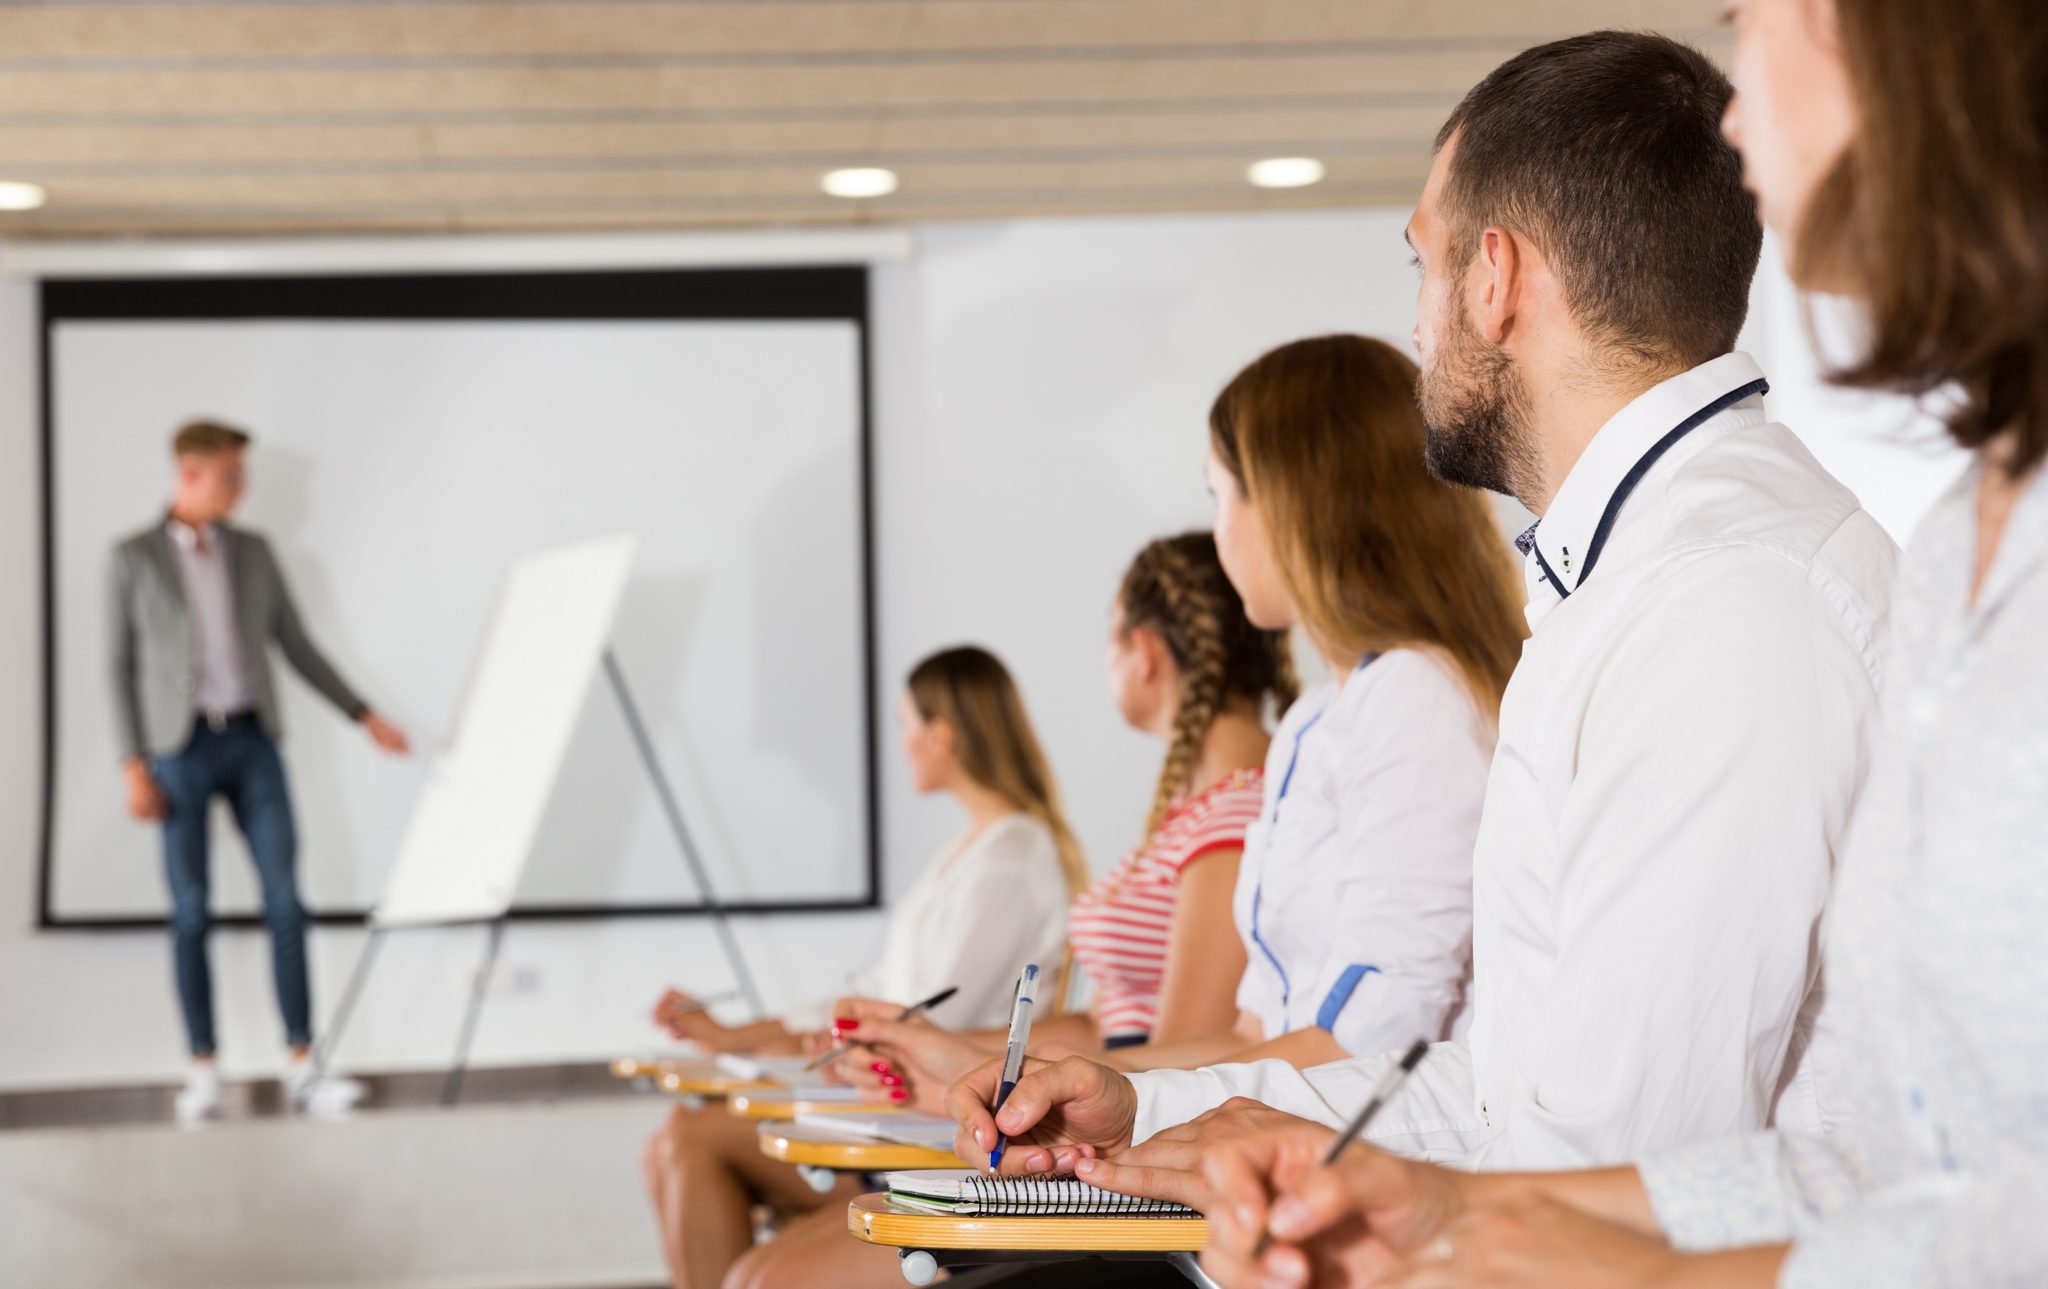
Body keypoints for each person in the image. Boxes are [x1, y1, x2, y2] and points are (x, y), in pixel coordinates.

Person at [948, 29, 1900, 1190]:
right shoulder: (1632, 580)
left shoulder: (1722, 611)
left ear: (1493, 277)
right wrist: (1155, 1108)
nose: (1414, 327)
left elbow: (1618, 1168)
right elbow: (1503, 1090)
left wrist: (1294, 1183)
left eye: (1421, 263)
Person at [1192, 0, 2048, 1284]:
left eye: (1756, 25)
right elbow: (1879, 1161)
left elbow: (1661, 1142)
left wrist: (1490, 1229)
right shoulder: (1911, 553)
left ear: (1493, 277)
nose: (1739, 112)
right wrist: (1425, 1206)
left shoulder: (1730, 597)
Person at [710, 532, 1287, 1289]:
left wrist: (985, 1065)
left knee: (767, 1279)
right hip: (1101, 1128)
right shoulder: (1194, 812)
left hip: (1123, 1157)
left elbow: (1183, 1050)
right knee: (761, 1269)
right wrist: (944, 1050)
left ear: (1144, 652)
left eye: (1108, 637)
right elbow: (1105, 1028)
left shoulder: (1232, 818)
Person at [640, 644, 1081, 1289]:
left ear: (943, 735)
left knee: (692, 1142)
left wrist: (805, 1036)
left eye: (906, 726)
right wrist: (744, 1032)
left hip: (931, 1127)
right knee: (676, 1137)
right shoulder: (970, 851)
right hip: (893, 1107)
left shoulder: (1012, 858)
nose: (899, 743)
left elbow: (923, 1023)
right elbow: (874, 997)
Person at [110, 419, 410, 1125]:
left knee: (286, 902)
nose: (240, 488)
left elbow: (295, 643)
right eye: (230, 475)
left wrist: (361, 712)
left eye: (242, 475)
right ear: (189, 474)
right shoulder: (133, 558)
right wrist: (132, 764)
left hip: (252, 743)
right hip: (177, 751)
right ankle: (203, 1067)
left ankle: (303, 1062)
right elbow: (117, 665)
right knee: (190, 911)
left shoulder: (254, 552)